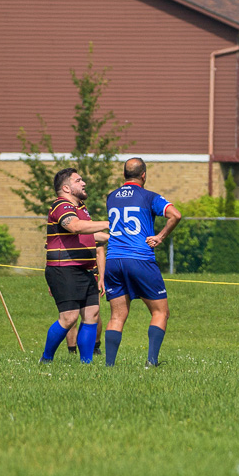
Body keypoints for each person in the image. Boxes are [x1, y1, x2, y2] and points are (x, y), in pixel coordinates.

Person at [101, 158, 181, 368]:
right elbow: (175, 215)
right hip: (140, 259)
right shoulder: (149, 197)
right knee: (160, 312)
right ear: (143, 175)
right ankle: (151, 362)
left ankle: (109, 366)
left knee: (117, 315)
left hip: (113, 260)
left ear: (124, 175)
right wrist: (160, 237)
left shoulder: (111, 197)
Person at [41, 167, 110, 363]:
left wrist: (112, 237)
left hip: (84, 269)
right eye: (78, 180)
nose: (84, 183)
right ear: (66, 188)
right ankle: (46, 359)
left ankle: (86, 363)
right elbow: (74, 226)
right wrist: (108, 223)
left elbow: (86, 233)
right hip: (64, 269)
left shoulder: (80, 208)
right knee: (69, 318)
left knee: (92, 314)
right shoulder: (61, 206)